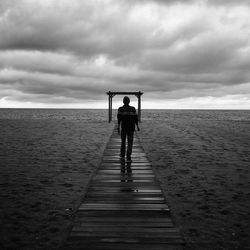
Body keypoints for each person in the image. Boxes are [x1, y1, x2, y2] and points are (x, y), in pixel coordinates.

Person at [117, 96, 140, 162]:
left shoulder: (120, 109)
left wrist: (118, 127)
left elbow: (119, 119)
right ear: (129, 101)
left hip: (124, 128)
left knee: (123, 142)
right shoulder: (133, 109)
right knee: (130, 142)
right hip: (131, 128)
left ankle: (122, 155)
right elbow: (136, 119)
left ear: (123, 101)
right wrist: (137, 126)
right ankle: (128, 156)